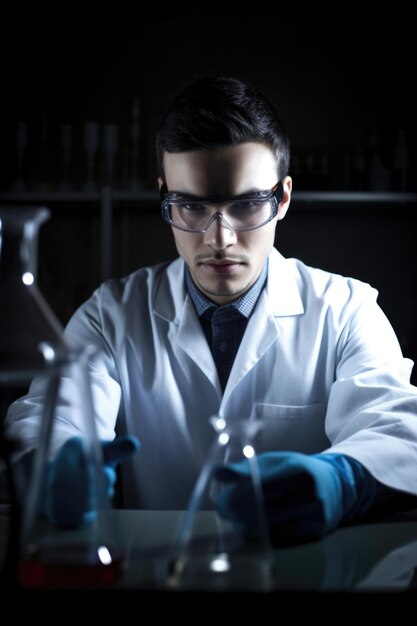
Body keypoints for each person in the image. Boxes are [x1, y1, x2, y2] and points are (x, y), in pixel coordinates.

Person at [5, 75, 417, 543]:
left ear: (282, 198)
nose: (219, 239)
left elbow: (399, 430)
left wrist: (344, 480)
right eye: (191, 206)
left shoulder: (346, 310)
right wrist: (56, 463)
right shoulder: (111, 315)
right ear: (165, 196)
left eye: (245, 205)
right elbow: (47, 417)